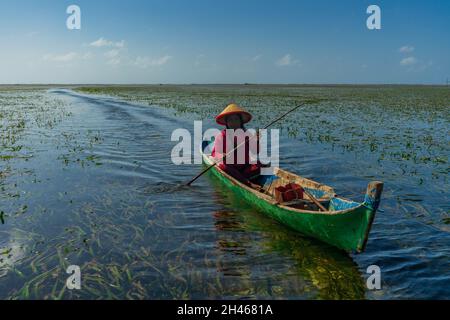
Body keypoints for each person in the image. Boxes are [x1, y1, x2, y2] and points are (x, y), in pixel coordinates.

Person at [211, 103, 262, 189]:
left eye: (236, 119)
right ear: (226, 123)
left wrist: (257, 141)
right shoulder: (222, 135)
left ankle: (242, 177)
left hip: (244, 167)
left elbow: (255, 151)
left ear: (240, 121)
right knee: (224, 166)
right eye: (230, 120)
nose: (233, 122)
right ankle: (248, 183)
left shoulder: (247, 134)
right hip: (231, 168)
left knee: (261, 164)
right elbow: (215, 153)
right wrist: (222, 155)